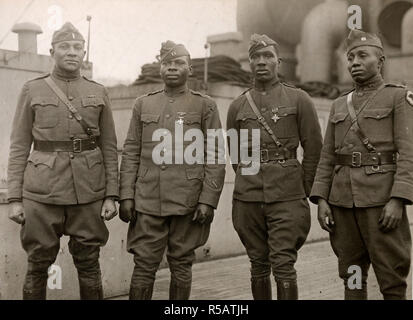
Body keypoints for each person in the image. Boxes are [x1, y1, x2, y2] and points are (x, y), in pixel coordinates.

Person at [7, 22, 119, 300]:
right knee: (38, 263)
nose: (72, 52)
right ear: (52, 51)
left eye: (77, 47)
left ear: (84, 53)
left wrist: (111, 195)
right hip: (42, 191)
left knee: (89, 262)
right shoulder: (32, 90)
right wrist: (15, 198)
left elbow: (109, 146)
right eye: (64, 47)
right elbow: (19, 146)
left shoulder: (99, 91)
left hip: (89, 190)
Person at [310, 29, 413, 300]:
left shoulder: (398, 97)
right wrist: (321, 199)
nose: (354, 61)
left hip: (381, 203)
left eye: (362, 55)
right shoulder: (338, 105)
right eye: (351, 56)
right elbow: (327, 157)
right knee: (353, 277)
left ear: (380, 61)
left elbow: (409, 152)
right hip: (343, 205)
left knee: (391, 279)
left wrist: (398, 199)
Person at [119, 41, 226, 300]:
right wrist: (126, 196)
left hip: (187, 201)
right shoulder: (143, 104)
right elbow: (131, 150)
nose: (172, 68)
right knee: (144, 264)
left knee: (181, 263)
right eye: (167, 63)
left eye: (178, 63)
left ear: (190, 68)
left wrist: (208, 200)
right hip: (148, 200)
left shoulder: (205, 105)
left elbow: (216, 154)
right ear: (160, 68)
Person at [226, 34, 323, 300]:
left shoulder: (299, 99)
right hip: (248, 197)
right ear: (249, 63)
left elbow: (314, 148)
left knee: (283, 264)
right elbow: (235, 154)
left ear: (278, 62)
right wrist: (249, 179)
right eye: (255, 57)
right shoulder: (237, 106)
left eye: (267, 56)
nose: (261, 62)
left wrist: (302, 188)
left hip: (288, 195)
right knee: (258, 263)